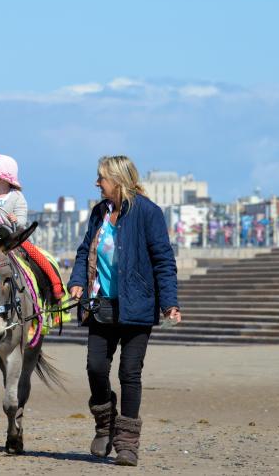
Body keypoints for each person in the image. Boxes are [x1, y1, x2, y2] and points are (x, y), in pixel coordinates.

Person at [67, 155, 180, 467]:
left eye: (101, 178)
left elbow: (163, 261)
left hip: (138, 306)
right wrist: (77, 281)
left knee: (129, 373)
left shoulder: (148, 213)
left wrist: (169, 303)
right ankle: (105, 424)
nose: (97, 183)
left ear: (117, 180)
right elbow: (83, 251)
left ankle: (127, 444)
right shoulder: (99, 213)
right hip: (101, 304)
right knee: (95, 368)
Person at [0, 154, 64, 299]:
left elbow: (22, 222)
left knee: (35, 253)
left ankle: (55, 283)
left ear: (1, 178)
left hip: (11, 238)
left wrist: (15, 221)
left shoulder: (18, 197)